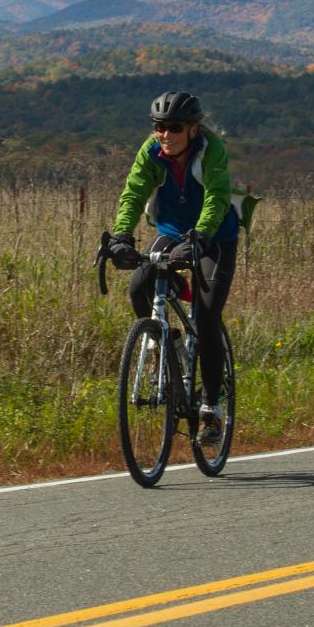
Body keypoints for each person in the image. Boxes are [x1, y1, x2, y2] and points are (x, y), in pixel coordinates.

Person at [109, 90, 240, 447]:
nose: (165, 135)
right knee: (139, 285)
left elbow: (216, 196)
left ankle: (212, 408)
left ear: (193, 129)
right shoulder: (151, 152)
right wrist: (122, 234)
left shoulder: (211, 150)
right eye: (159, 127)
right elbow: (134, 192)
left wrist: (200, 235)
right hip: (170, 232)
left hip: (214, 237)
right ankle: (164, 343)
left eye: (174, 128)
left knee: (208, 315)